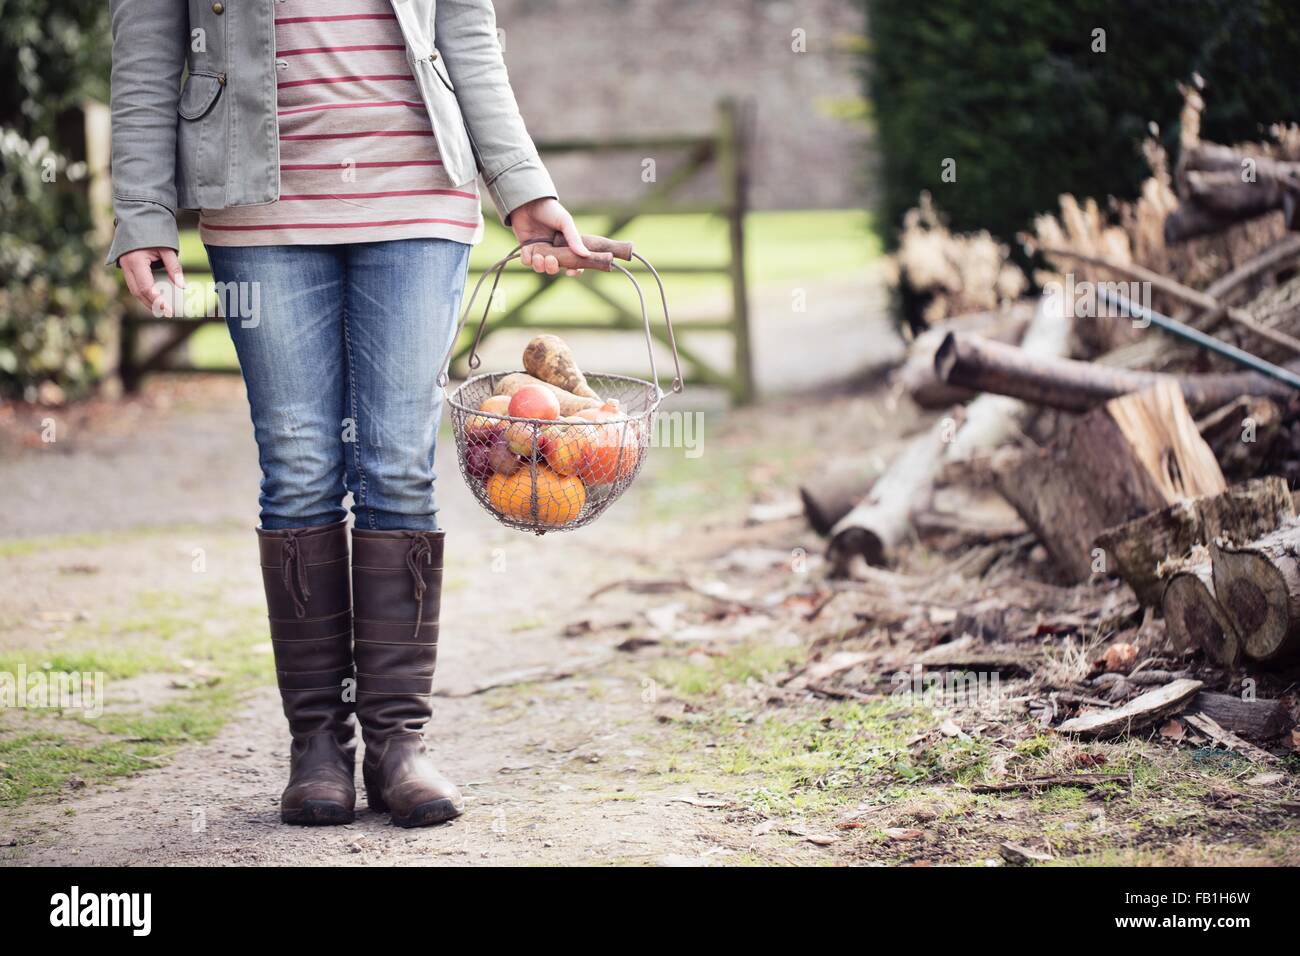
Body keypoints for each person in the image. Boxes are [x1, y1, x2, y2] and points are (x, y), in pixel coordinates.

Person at [107, 0, 596, 828]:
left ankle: (399, 741)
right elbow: (148, 47)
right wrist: (143, 211)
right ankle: (317, 746)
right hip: (260, 206)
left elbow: (465, 30)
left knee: (398, 461)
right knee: (297, 465)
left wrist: (523, 185)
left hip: (417, 195)